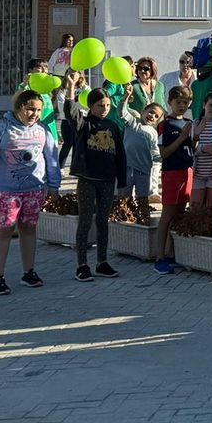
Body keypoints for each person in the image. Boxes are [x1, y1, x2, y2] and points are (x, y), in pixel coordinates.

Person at [0, 88, 62, 295]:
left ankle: (29, 271)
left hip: (34, 189)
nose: (35, 114)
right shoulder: (0, 128)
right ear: (19, 108)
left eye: (39, 110)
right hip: (6, 190)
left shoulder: (42, 130)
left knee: (29, 229)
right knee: (4, 230)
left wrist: (54, 186)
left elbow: (52, 159)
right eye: (31, 109)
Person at [71, 89, 128, 282]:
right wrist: (71, 91)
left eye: (107, 106)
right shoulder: (84, 124)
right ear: (91, 106)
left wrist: (122, 182)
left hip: (107, 180)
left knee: (103, 221)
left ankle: (101, 262)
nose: (104, 109)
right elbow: (71, 113)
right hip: (88, 179)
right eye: (100, 106)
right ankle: (82, 265)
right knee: (85, 221)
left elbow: (121, 155)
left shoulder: (113, 126)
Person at [153, 86, 195, 273]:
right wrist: (183, 137)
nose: (182, 105)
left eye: (185, 102)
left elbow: (191, 148)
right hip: (171, 174)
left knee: (179, 214)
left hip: (187, 172)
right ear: (170, 102)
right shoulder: (165, 124)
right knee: (167, 215)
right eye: (178, 102)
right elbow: (164, 152)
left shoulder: (188, 122)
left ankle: (172, 253)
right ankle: (159, 256)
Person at [123, 102, 163, 208]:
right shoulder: (133, 122)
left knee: (142, 198)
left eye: (156, 116)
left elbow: (155, 152)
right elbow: (122, 112)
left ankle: (142, 217)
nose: (152, 116)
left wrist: (161, 159)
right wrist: (125, 98)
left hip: (144, 171)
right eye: (151, 112)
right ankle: (122, 218)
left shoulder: (153, 133)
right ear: (143, 111)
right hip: (127, 167)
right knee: (124, 197)